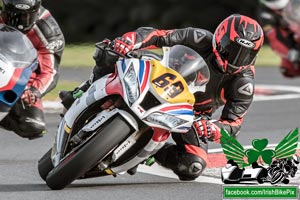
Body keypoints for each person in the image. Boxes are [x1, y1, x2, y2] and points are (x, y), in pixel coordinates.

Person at [60, 14, 264, 180]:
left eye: (244, 54)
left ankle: (150, 151)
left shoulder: (243, 84)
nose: (235, 59)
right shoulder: (199, 38)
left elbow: (233, 126)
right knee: (111, 52)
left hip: (189, 113)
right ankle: (83, 91)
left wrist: (212, 129)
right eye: (232, 49)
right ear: (219, 39)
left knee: (193, 165)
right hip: (158, 75)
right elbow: (158, 36)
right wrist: (129, 41)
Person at [0, 0, 65, 139]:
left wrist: (34, 91)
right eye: (12, 15)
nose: (18, 22)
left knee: (33, 126)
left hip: (20, 79)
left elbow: (50, 71)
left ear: (35, 13)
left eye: (25, 17)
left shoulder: (49, 31)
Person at [257, 0, 300, 78]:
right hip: (290, 41)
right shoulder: (265, 13)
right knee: (287, 70)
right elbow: (273, 38)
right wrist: (289, 53)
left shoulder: (295, 3)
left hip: (298, 32)